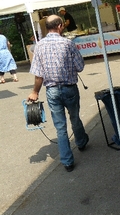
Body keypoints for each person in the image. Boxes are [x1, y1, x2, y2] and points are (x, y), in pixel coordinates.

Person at [27, 15, 89, 172]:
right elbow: (80, 66)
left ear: (47, 27)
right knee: (74, 118)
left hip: (52, 90)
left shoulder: (38, 46)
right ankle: (81, 142)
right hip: (69, 88)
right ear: (60, 26)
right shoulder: (68, 43)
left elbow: (38, 74)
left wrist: (35, 92)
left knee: (60, 127)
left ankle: (67, 161)